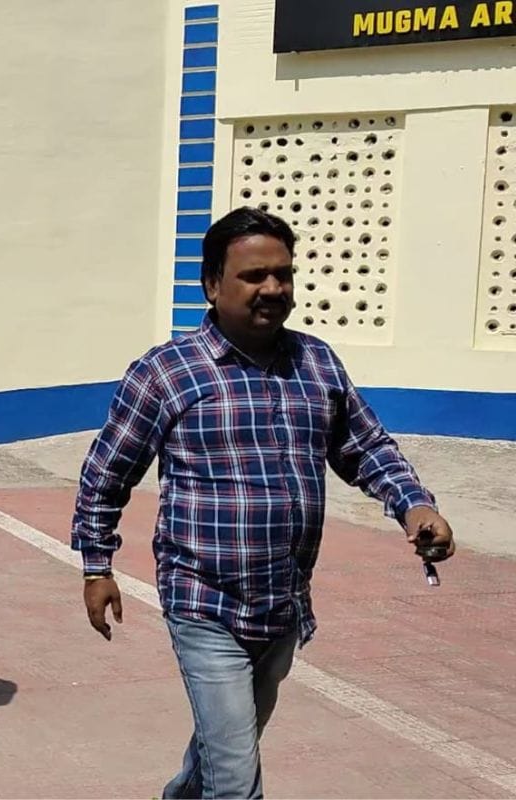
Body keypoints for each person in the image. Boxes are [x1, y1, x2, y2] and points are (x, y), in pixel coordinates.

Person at [71, 207, 456, 799]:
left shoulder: (317, 363)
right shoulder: (167, 373)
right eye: (254, 276)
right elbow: (106, 474)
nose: (273, 288)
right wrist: (96, 567)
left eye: (283, 274)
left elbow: (364, 447)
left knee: (228, 744)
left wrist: (414, 506)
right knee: (236, 779)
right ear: (212, 285)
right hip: (203, 600)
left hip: (282, 603)